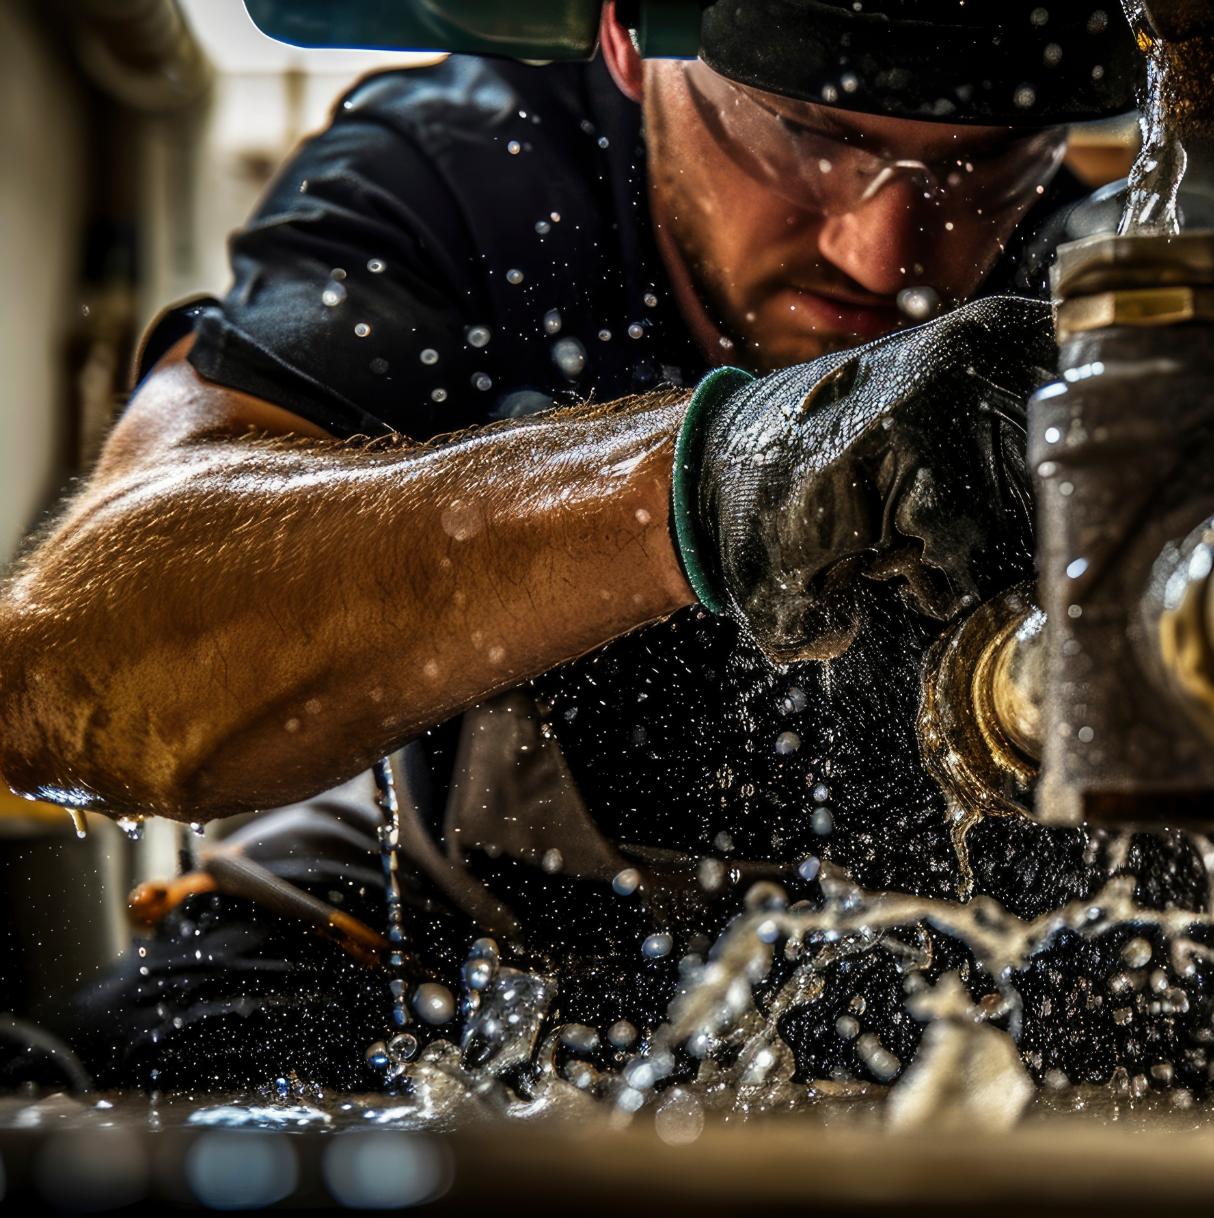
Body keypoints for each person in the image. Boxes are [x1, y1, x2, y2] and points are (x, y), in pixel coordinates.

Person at [0, 0, 1152, 1090]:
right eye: (808, 137)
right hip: (456, 940)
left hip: (968, 962)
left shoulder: (1131, 250)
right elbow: (66, 676)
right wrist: (711, 480)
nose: (882, 253)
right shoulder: (468, 180)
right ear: (629, 38)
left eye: (981, 165)